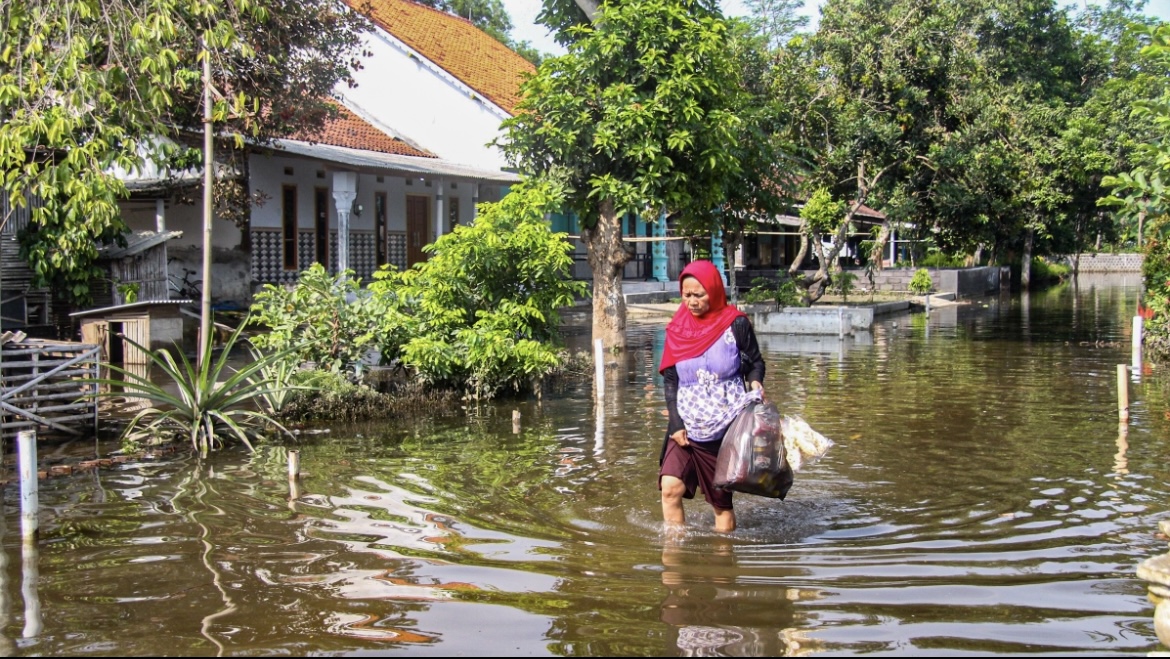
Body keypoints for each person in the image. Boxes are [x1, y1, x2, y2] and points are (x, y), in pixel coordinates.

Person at [658, 260, 766, 533]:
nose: (692, 302)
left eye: (699, 295)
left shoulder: (736, 324)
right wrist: (675, 423)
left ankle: (722, 556)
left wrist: (755, 383)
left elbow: (755, 362)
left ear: (715, 291)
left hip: (724, 426)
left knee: (720, 504)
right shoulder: (677, 329)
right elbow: (670, 380)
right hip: (686, 423)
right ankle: (675, 552)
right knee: (670, 488)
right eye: (686, 295)